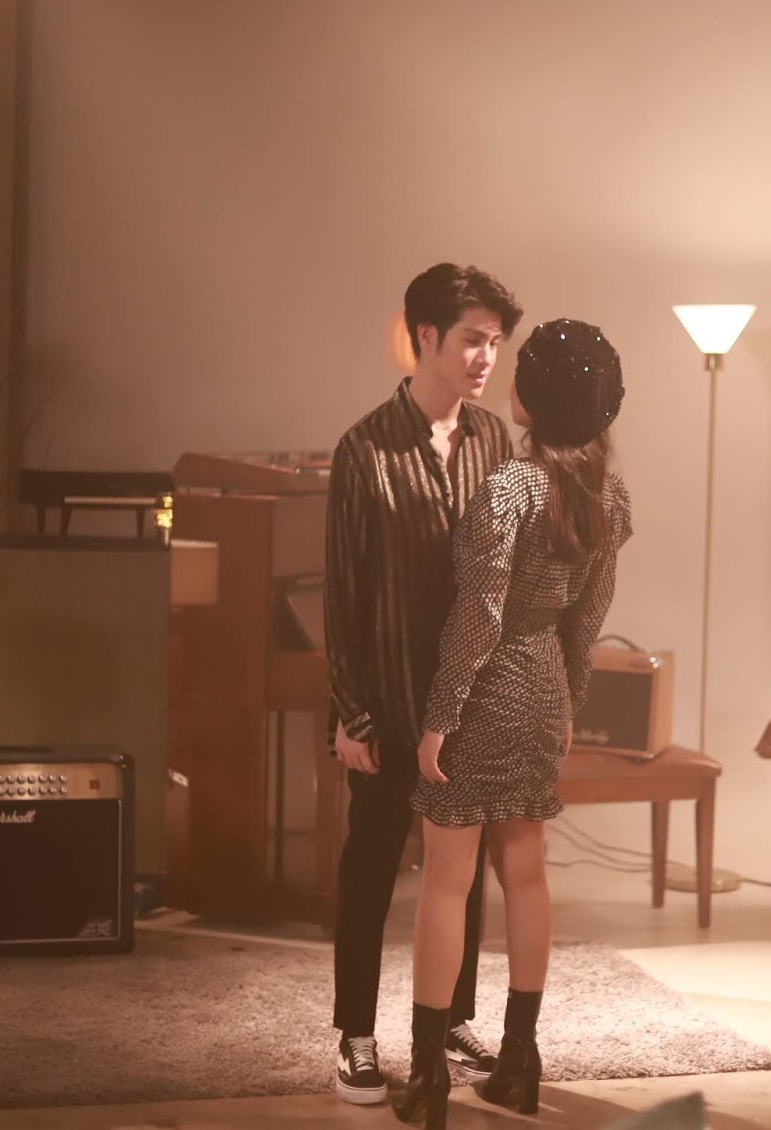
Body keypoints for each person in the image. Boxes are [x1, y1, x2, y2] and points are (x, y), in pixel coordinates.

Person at [393, 319, 633, 1127]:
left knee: (446, 881)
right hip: (544, 689)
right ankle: (520, 1062)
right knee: (526, 874)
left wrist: (440, 716)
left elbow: (479, 615)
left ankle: (428, 1075)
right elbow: (589, 615)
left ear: (532, 399)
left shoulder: (510, 489)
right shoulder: (608, 494)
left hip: (489, 689)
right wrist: (570, 699)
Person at [324, 262, 524, 1105]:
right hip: (388, 698)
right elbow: (343, 592)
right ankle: (356, 1035)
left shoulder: (495, 441)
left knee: (460, 874)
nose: (486, 358)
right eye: (474, 340)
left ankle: (449, 1022)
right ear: (426, 336)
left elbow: (508, 575)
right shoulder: (363, 448)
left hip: (469, 703)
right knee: (371, 867)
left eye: (496, 343)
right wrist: (351, 714)